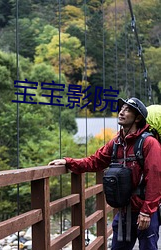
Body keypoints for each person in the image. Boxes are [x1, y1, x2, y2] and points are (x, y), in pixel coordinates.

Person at [48, 97, 161, 250]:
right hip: (124, 211)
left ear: (138, 118)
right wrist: (68, 162)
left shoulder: (149, 143)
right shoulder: (116, 143)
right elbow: (95, 161)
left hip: (144, 211)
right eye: (121, 109)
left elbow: (155, 178)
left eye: (127, 110)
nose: (121, 112)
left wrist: (147, 212)